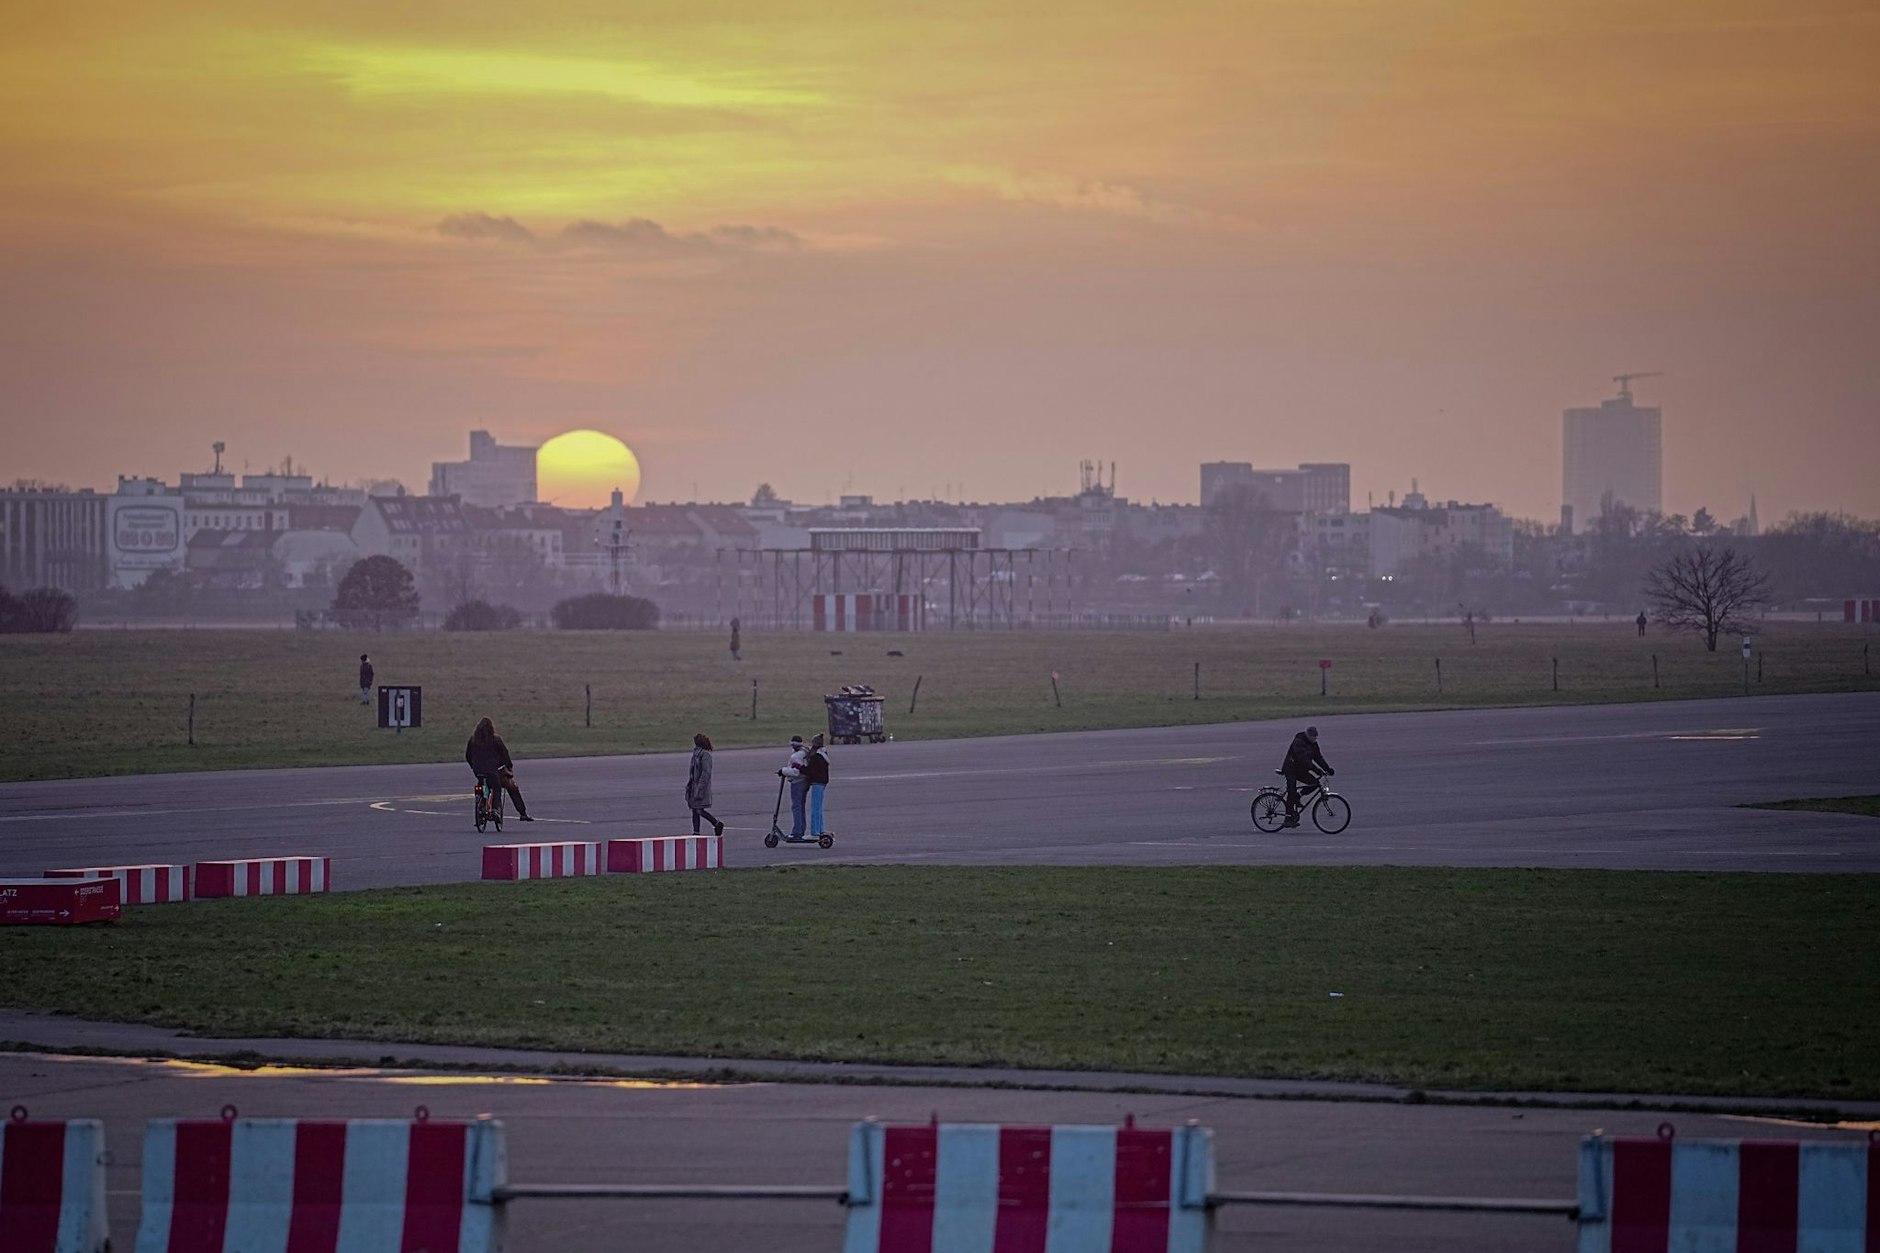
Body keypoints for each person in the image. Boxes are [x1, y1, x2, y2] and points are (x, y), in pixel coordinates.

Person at [465, 717, 532, 821]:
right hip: (493, 771)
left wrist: (473, 766)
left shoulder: (473, 740)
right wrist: (509, 766)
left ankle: (480, 803)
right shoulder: (496, 739)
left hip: (478, 771)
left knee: (481, 786)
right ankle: (502, 810)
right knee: (497, 788)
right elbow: (505, 754)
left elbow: (468, 756)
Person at [1279, 725, 1332, 828]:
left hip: (1301, 770)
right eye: (1313, 737)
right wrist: (1317, 770)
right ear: (1307, 735)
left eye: (1316, 737)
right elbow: (1305, 761)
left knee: (1315, 783)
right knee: (1291, 792)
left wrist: (1328, 769)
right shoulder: (1299, 742)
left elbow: (1318, 758)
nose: (1314, 739)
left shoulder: (1314, 745)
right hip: (1290, 769)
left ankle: (1298, 796)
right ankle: (1288, 819)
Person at [685, 733, 725, 837]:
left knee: (699, 810)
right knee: (695, 810)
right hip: (694, 786)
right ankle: (696, 832)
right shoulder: (696, 754)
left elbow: (705, 773)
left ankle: (716, 823)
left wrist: (700, 788)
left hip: (701, 786)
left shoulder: (705, 755)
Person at [778, 735, 808, 839]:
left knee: (796, 807)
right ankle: (801, 829)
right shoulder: (804, 752)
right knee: (800, 806)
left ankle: (797, 832)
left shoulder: (796, 756)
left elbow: (796, 772)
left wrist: (783, 771)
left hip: (797, 782)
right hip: (804, 781)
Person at [805, 732, 832, 838]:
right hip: (822, 782)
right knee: (819, 807)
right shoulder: (823, 754)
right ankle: (820, 829)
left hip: (817, 782)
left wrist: (799, 768)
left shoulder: (816, 756)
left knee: (815, 808)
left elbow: (810, 770)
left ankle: (815, 832)